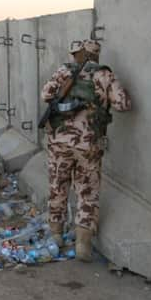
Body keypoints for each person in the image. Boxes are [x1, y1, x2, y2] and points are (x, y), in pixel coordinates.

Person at [41, 39, 131, 262]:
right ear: (96, 56)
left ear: (79, 54)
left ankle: (56, 235)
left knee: (57, 185)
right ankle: (83, 244)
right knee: (87, 191)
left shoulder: (63, 71)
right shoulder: (104, 75)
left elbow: (45, 95)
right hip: (88, 144)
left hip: (59, 141)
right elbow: (123, 104)